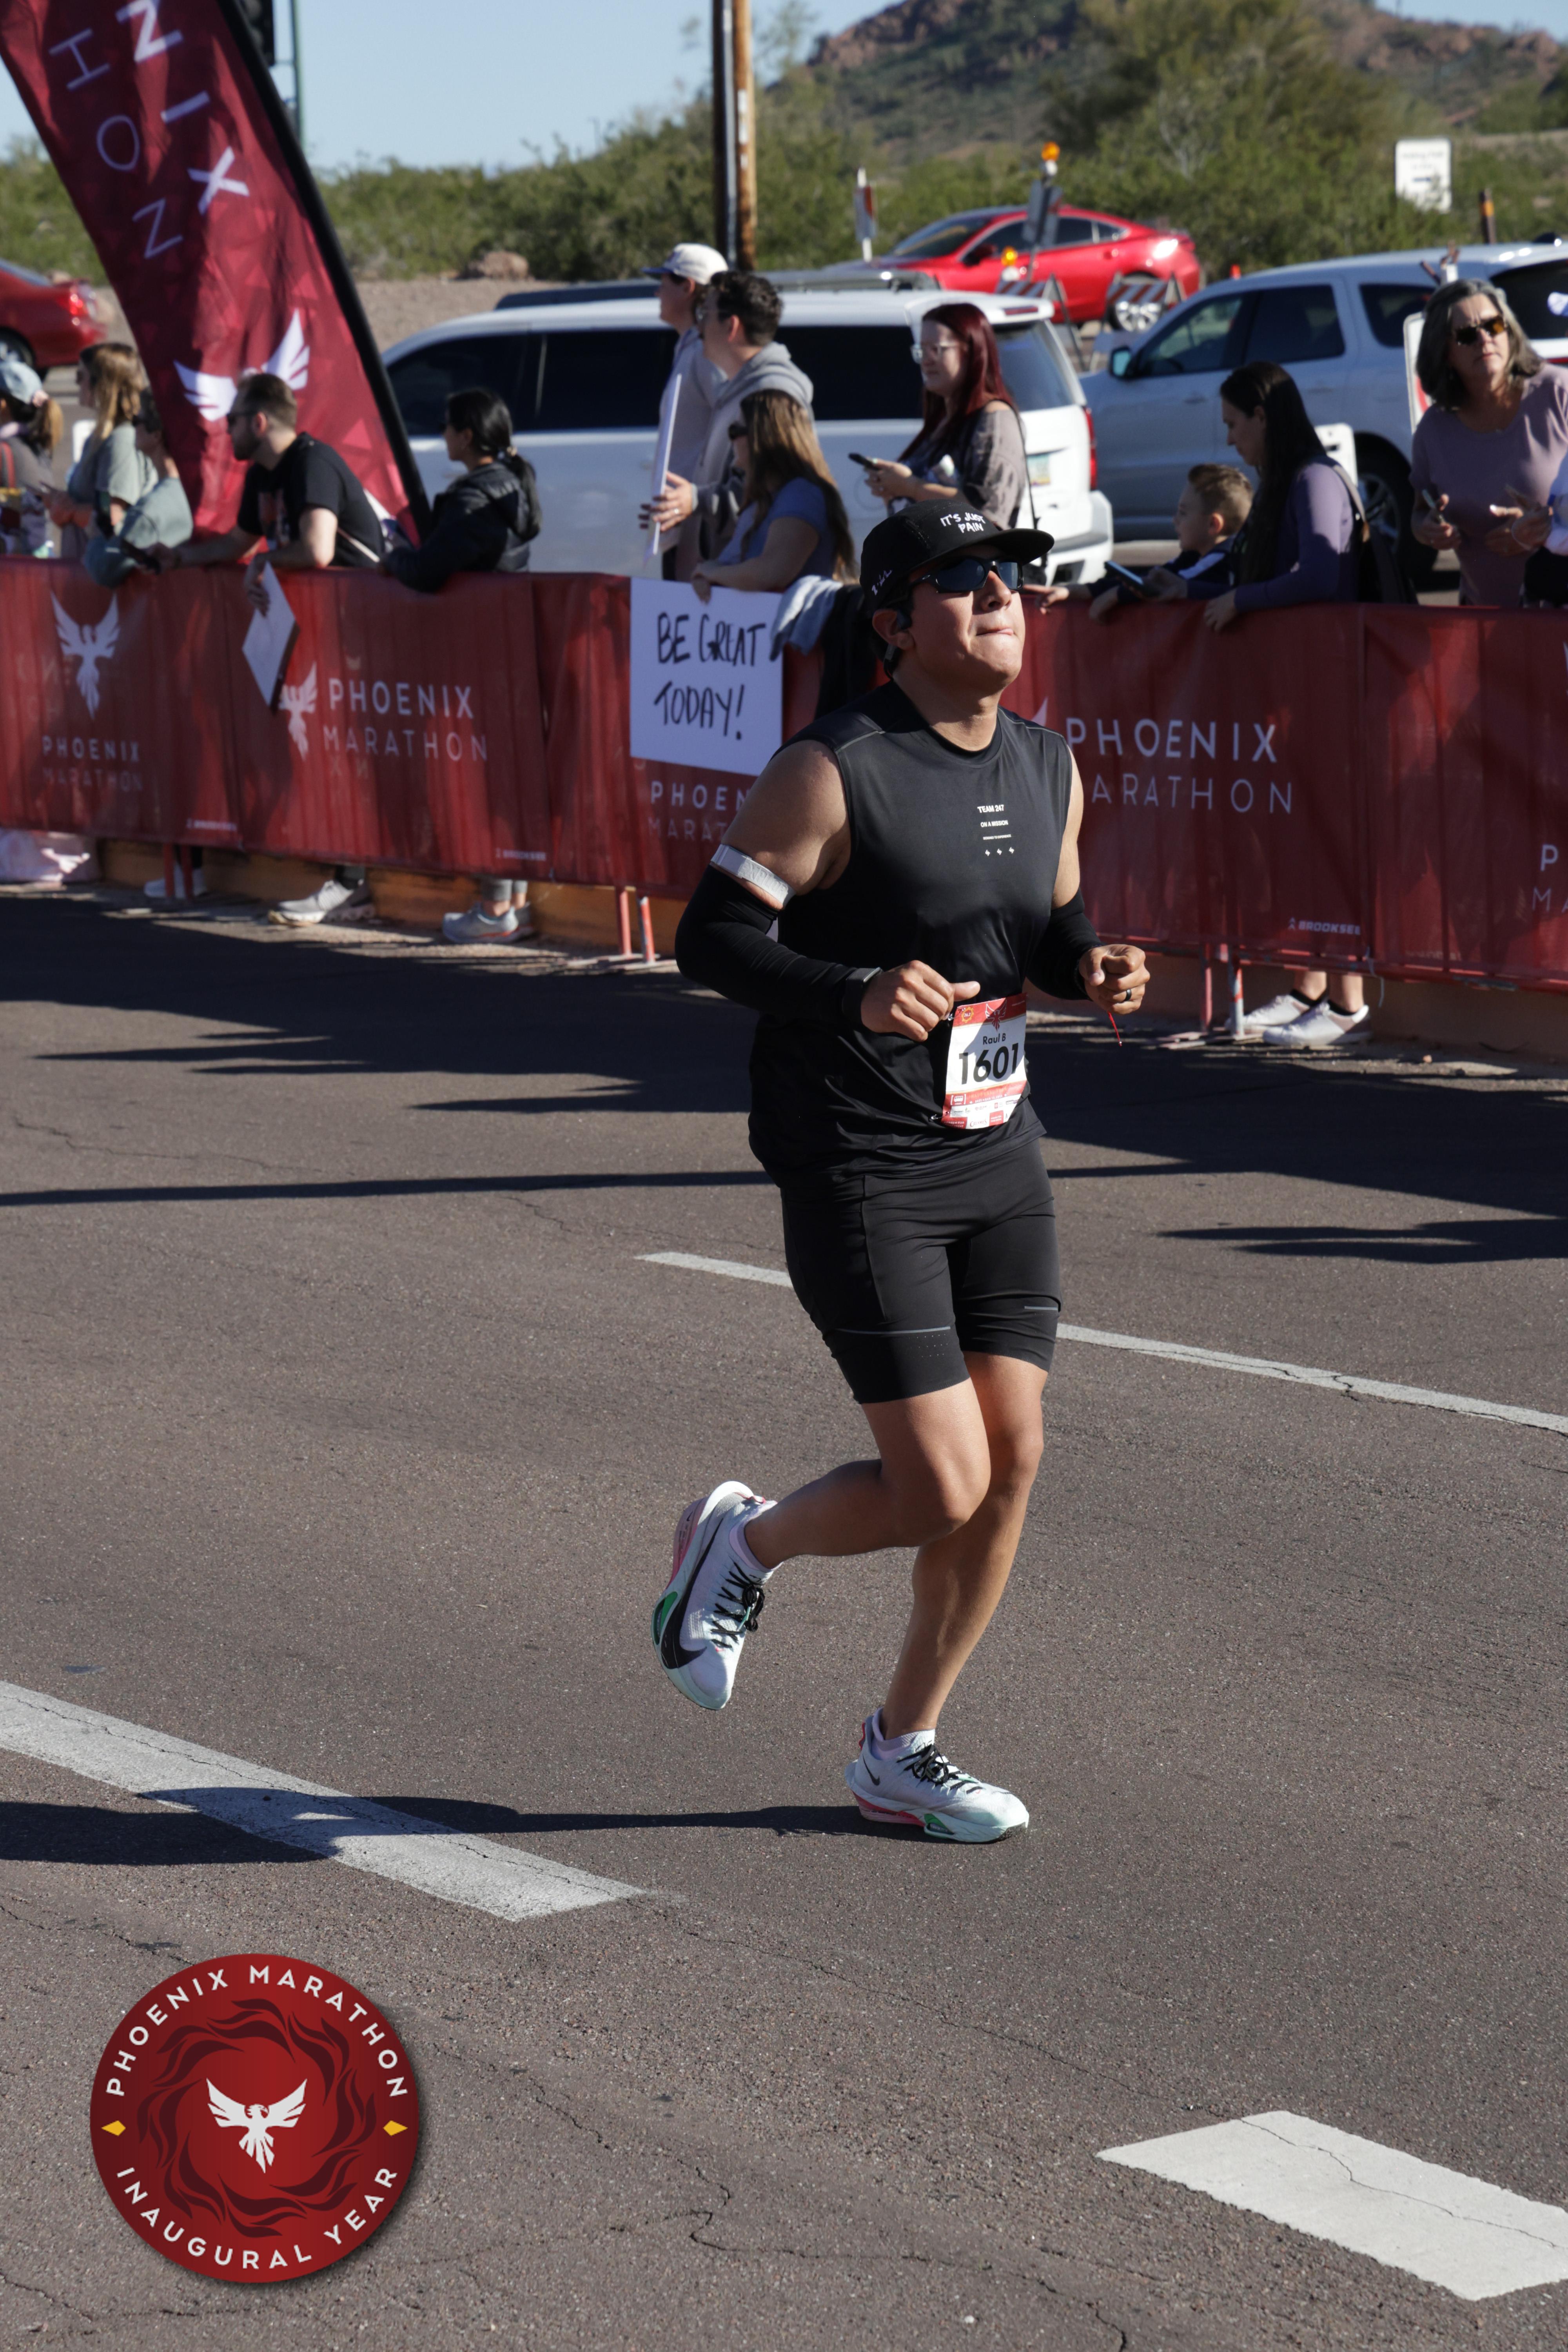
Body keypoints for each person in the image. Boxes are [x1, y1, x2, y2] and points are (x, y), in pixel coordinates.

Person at [660, 503, 1150, 1843]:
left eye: (1013, 577)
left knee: (1015, 1457)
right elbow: (711, 940)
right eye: (963, 578)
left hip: (996, 1149)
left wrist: (1092, 965)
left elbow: (1047, 930)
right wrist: (856, 991)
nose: (1000, 596)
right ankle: (743, 1544)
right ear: (893, 621)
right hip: (858, 1153)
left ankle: (902, 1748)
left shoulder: (1048, 763)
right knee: (939, 1484)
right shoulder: (833, 769)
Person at [1178, 365, 1365, 1044]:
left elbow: (1320, 573)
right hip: (1290, 695)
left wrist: (1244, 600)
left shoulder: (1315, 479)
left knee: (1329, 841)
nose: (1231, 440)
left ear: (1263, 416)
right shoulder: (1286, 482)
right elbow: (1252, 576)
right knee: (1297, 842)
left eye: (1235, 423)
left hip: (1328, 692)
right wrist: (1186, 592)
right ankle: (1308, 988)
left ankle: (1347, 1004)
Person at [167, 372, 385, 926]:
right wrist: (176, 558)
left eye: (233, 419)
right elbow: (236, 542)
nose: (226, 428)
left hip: (361, 632)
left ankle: (352, 883)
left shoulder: (313, 463)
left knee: (343, 754)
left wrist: (265, 562)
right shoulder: (262, 474)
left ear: (259, 422)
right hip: (316, 635)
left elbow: (317, 549)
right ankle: (343, 876)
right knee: (314, 752)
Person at [380, 385, 541, 945]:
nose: (443, 435)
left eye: (449, 427)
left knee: (489, 776)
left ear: (467, 436)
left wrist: (393, 557)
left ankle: (496, 909)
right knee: (507, 775)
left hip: (480, 653)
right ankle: (513, 903)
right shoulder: (514, 482)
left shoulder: (475, 499)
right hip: (507, 650)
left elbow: (428, 571)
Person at [1409, 278, 1568, 608]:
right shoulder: (1433, 430)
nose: (1484, 339)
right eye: (1467, 335)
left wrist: (1546, 526)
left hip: (1557, 616)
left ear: (1509, 332)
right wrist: (1429, 530)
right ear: (1445, 352)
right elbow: (1420, 512)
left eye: (1494, 325)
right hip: (1480, 618)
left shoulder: (1558, 394)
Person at [642, 271, 814, 562]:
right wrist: (680, 507)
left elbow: (768, 493)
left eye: (705, 315)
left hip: (751, 575)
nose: (699, 326)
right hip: (733, 570)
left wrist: (696, 500)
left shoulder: (771, 394)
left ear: (732, 326)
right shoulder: (739, 389)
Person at [863, 303, 1027, 534]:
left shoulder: (995, 420)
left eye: (936, 349)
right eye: (922, 350)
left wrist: (912, 487)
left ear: (971, 352)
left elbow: (986, 515)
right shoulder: (943, 419)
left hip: (970, 558)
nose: (926, 361)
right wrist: (893, 486)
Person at [691, 389, 854, 602]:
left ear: (763, 438)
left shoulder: (802, 494)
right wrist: (706, 575)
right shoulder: (762, 501)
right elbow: (733, 568)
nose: (731, 441)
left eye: (736, 431)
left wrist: (713, 573)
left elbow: (772, 573)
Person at [1044, 462, 1250, 621]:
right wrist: (1082, 590)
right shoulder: (1193, 557)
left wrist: (1117, 595)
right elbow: (1149, 578)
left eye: (1183, 513)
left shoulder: (1224, 560)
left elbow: (1163, 587)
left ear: (1213, 524)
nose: (1175, 520)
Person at [642, 240, 728, 579]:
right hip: (683, 521)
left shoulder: (707, 354)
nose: (657, 293)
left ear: (687, 287)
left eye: (663, 283)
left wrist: (697, 500)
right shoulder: (690, 349)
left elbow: (734, 430)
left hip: (699, 528)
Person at [47, 343, 154, 561]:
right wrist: (62, 502)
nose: (77, 383)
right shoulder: (101, 437)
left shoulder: (121, 441)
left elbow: (113, 520)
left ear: (103, 384)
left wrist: (70, 511)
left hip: (98, 573)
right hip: (83, 566)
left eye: (81, 376)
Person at [84, 390, 192, 587]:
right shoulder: (194, 492)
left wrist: (96, 538)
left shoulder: (150, 512)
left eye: (136, 421)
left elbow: (105, 570)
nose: (132, 427)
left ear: (157, 435)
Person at [0, 353, 64, 556]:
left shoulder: (5, 450)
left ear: (3, 404)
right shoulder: (38, 444)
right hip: (37, 560)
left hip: (12, 565)